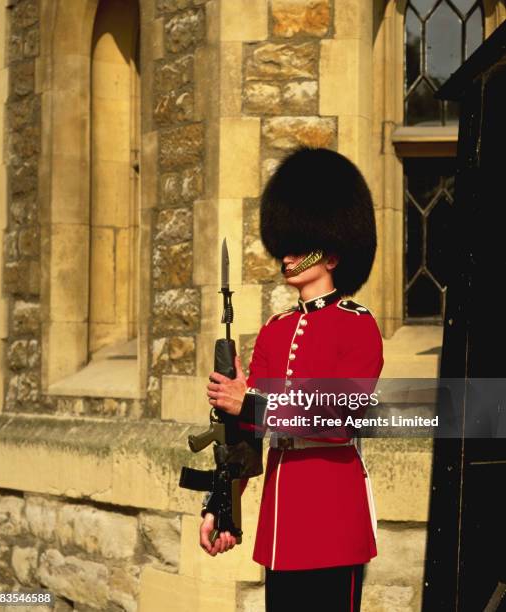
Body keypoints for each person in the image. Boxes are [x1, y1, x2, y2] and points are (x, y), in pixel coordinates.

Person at [200, 146, 384, 611]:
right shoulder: (275, 330)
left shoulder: (357, 324)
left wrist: (252, 404)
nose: (288, 254)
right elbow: (248, 433)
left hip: (333, 510)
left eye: (301, 244)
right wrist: (222, 507)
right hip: (282, 517)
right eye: (287, 242)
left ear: (333, 254)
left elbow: (340, 417)